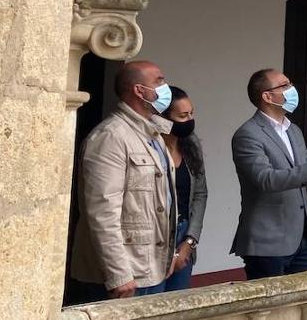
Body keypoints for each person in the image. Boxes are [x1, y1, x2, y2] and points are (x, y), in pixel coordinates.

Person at [69, 60, 178, 300]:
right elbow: (102, 211)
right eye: (159, 81)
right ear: (139, 90)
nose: (165, 88)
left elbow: (163, 203)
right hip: (125, 276)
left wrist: (168, 256)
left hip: (151, 268)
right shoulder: (111, 137)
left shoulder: (154, 134)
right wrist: (118, 273)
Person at [231, 69, 307, 280]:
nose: (292, 89)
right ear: (267, 96)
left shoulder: (294, 130)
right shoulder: (248, 134)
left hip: (303, 237)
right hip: (268, 242)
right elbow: (266, 179)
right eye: (284, 85)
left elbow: (304, 172)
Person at [160, 87, 208, 291]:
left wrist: (189, 241)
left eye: (191, 113)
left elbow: (200, 193)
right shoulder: (150, 146)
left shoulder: (191, 143)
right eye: (182, 116)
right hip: (158, 235)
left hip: (184, 234)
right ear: (163, 118)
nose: (189, 120)